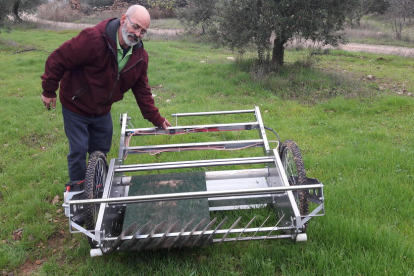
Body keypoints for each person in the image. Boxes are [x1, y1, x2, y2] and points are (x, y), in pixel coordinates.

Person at [41, 5, 171, 186]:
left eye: (143, 31)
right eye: (136, 27)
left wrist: (156, 118)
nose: (138, 34)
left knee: (101, 150)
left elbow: (142, 90)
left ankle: (96, 188)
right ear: (124, 19)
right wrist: (49, 90)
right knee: (78, 150)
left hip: (102, 110)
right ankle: (78, 197)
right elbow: (57, 59)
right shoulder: (92, 38)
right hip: (76, 105)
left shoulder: (139, 56)